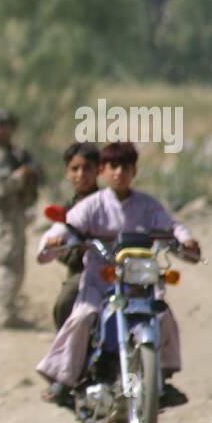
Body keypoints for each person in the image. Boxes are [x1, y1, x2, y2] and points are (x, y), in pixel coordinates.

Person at [36, 142, 201, 405]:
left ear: (134, 171)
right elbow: (66, 227)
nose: (119, 173)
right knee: (83, 316)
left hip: (138, 281)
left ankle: (164, 376)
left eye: (126, 167)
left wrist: (186, 240)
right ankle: (64, 379)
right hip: (99, 281)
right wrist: (55, 240)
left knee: (162, 314)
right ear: (104, 170)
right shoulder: (92, 205)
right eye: (114, 167)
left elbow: (172, 226)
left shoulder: (148, 205)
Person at [0, 109, 42, 329]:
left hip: (13, 212)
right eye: (1, 126)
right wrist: (23, 174)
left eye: (9, 125)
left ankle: (7, 312)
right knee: (10, 263)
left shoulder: (9, 152)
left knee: (16, 263)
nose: (7, 130)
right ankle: (4, 315)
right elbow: (4, 185)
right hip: (2, 214)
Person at [51, 142, 100, 329]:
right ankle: (67, 354)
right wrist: (75, 250)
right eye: (75, 169)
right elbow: (58, 247)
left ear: (99, 170)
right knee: (65, 301)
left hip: (117, 270)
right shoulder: (66, 212)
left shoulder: (112, 202)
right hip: (83, 273)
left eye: (87, 168)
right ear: (67, 172)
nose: (81, 174)